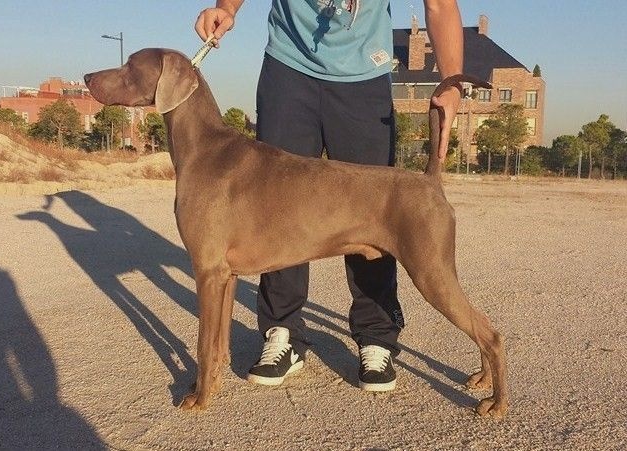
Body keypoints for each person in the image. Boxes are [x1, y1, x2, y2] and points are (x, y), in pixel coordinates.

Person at [195, 0, 463, 392]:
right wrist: (227, 7)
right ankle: (282, 331)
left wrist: (453, 82)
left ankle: (376, 336)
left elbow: (439, 6)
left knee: (377, 212)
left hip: (364, 70)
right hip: (289, 65)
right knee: (275, 208)